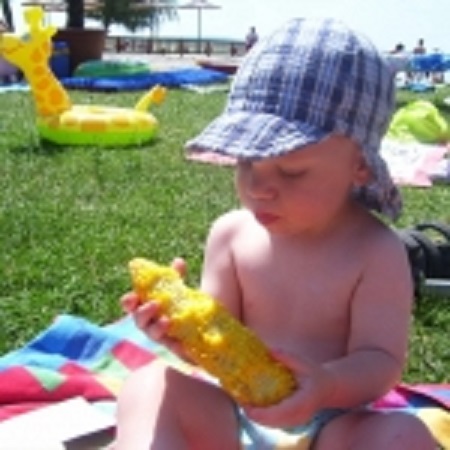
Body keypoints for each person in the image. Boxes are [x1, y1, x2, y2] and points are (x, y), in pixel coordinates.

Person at [114, 18, 436, 450]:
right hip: (235, 414)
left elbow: (381, 362)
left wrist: (325, 385)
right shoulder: (231, 235)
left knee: (403, 435)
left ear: (360, 165)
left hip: (331, 423)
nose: (258, 187)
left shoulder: (376, 251)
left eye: (291, 170)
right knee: (148, 385)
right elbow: (214, 345)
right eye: (247, 162)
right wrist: (178, 334)